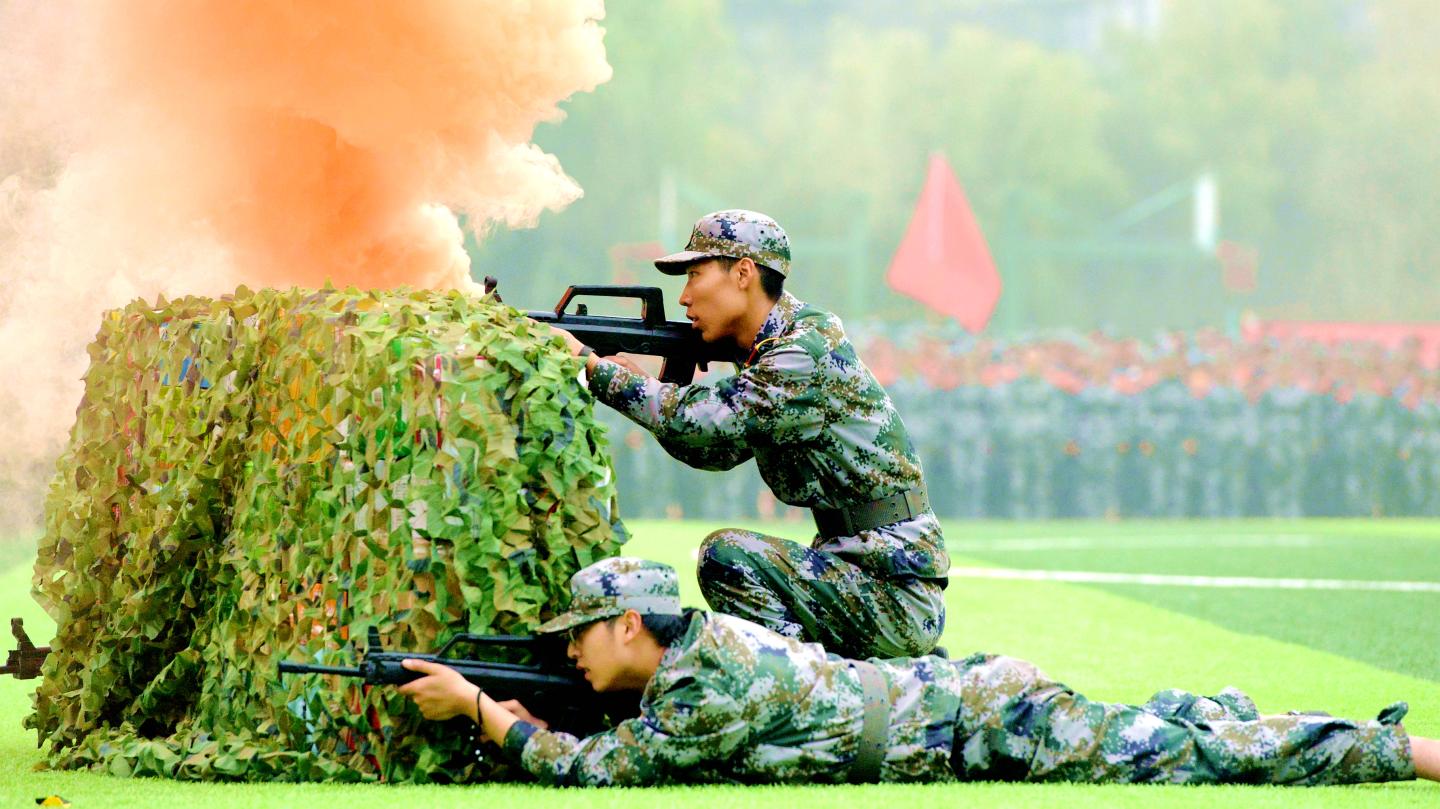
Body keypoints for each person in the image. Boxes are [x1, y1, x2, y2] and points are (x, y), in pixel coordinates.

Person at [399, 557, 1438, 788]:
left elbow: (604, 772)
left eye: (581, 634)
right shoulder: (706, 646)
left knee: (1199, 758)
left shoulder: (710, 685)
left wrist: (483, 709)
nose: (571, 651)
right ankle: (1233, 715)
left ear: (631, 623)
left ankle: (1404, 749)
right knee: (1167, 729)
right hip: (968, 702)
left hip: (981, 721)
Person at [545, 210, 947, 659]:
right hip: (864, 573)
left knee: (728, 558)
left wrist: (595, 369)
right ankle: (830, 675)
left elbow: (707, 423)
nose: (684, 297)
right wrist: (644, 386)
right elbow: (712, 451)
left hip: (892, 590)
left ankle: (813, 683)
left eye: (695, 275)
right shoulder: (769, 352)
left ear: (742, 273)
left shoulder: (803, 351)